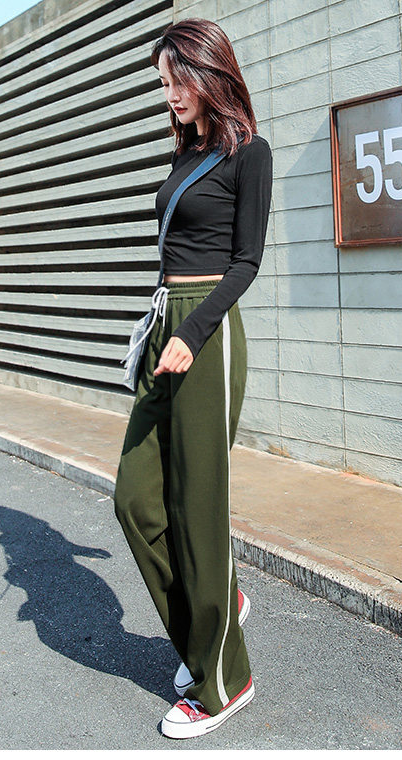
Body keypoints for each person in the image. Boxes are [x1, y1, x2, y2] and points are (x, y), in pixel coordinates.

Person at [113, 17, 273, 739]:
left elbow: (246, 262)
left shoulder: (249, 154)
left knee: (196, 507)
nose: (170, 94)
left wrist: (192, 331)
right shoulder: (185, 151)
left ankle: (223, 682)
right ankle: (215, 620)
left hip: (206, 330)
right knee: (135, 497)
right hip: (165, 324)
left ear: (210, 74)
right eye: (163, 82)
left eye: (178, 80)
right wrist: (161, 330)